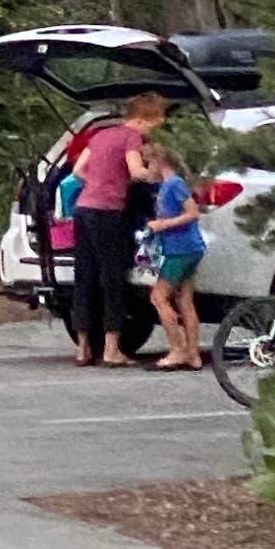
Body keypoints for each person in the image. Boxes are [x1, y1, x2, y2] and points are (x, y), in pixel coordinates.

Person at [69, 91, 168, 369]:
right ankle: (112, 349)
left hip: (84, 208)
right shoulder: (131, 138)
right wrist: (158, 170)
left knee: (85, 277)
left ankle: (83, 349)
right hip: (108, 213)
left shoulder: (100, 135)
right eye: (157, 121)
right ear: (144, 118)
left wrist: (97, 183)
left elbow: (78, 170)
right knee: (112, 278)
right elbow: (136, 172)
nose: (157, 128)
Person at [143, 143, 207, 373]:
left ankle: (177, 348)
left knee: (158, 297)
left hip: (180, 250)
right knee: (184, 300)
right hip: (187, 248)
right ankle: (193, 353)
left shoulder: (174, 184)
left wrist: (163, 225)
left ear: (159, 161)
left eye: (148, 162)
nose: (146, 168)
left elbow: (192, 213)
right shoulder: (166, 186)